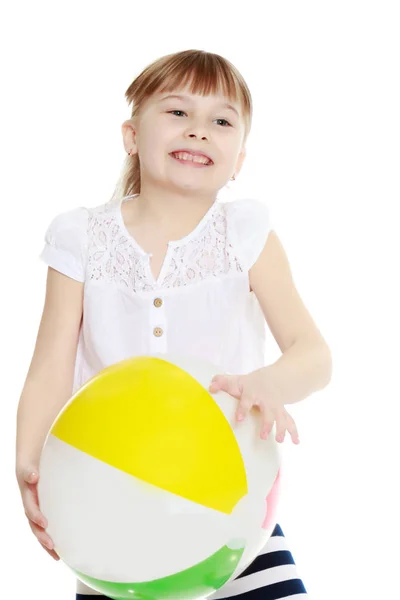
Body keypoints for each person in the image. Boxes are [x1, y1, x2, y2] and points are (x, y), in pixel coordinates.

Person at [15, 49, 332, 600]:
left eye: (222, 120)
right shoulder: (81, 239)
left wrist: (268, 385)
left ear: (240, 158)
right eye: (178, 112)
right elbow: (48, 371)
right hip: (114, 516)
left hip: (234, 510)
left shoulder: (246, 233)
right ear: (132, 135)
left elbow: (314, 354)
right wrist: (31, 463)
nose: (200, 131)